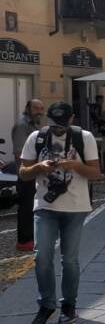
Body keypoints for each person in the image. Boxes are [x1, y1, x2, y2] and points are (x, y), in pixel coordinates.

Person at [19, 102, 101, 324]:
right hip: (45, 207)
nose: (57, 130)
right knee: (42, 256)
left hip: (76, 207)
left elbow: (96, 173)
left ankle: (69, 305)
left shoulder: (84, 137)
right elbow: (23, 173)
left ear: (72, 119)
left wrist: (74, 165)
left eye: (62, 126)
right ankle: (46, 304)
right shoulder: (37, 137)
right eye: (54, 126)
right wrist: (38, 167)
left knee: (70, 260)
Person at [11, 99, 45, 253]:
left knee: (32, 206)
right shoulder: (22, 125)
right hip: (26, 173)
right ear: (28, 109)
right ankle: (24, 241)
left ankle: (31, 237)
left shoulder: (34, 125)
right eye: (36, 108)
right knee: (25, 208)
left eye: (41, 108)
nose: (39, 111)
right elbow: (19, 151)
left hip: (34, 171)